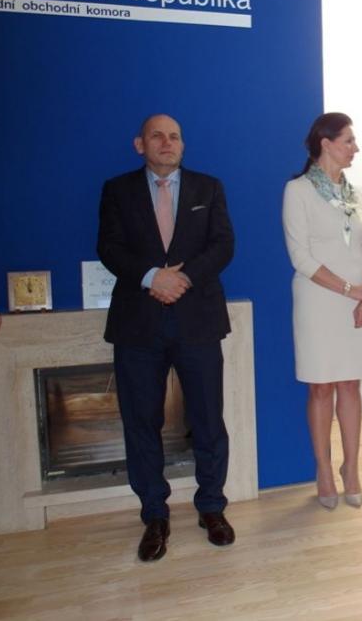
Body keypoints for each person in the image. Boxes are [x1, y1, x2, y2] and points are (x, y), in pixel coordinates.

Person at [97, 114, 236, 562]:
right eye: (157, 136)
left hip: (197, 321)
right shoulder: (117, 190)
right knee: (141, 423)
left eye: (174, 136)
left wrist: (182, 278)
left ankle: (211, 507)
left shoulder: (208, 187)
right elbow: (109, 247)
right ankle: (154, 515)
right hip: (138, 325)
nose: (167, 142)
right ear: (140, 144)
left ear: (182, 145)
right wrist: (151, 277)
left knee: (208, 420)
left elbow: (223, 245)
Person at [282, 112, 362, 510]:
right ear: (325, 143)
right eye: (349, 141)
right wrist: (350, 290)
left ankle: (351, 468)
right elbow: (300, 257)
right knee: (321, 387)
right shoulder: (298, 191)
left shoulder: (359, 195)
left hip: (359, 301)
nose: (356, 148)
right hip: (318, 302)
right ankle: (323, 469)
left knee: (351, 385)